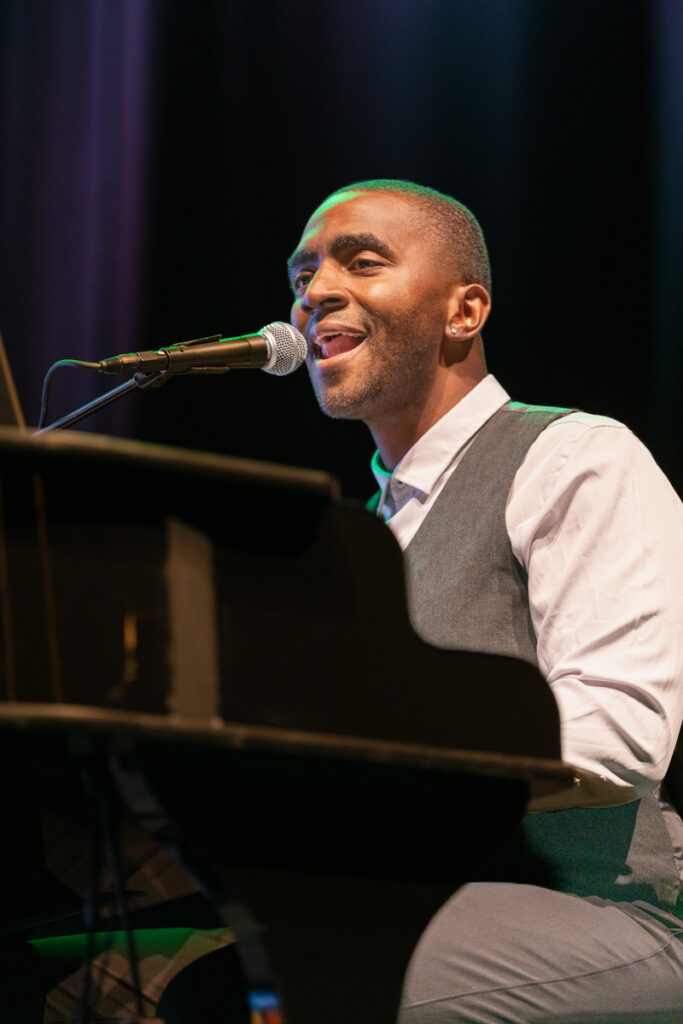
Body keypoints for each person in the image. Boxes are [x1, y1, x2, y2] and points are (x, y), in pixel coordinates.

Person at [287, 179, 683, 1022]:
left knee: (320, 976)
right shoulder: (357, 538)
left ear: (464, 312)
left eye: (361, 261)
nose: (315, 291)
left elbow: (616, 738)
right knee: (89, 969)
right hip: (425, 899)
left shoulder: (573, 457)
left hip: (606, 911)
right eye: (301, 276)